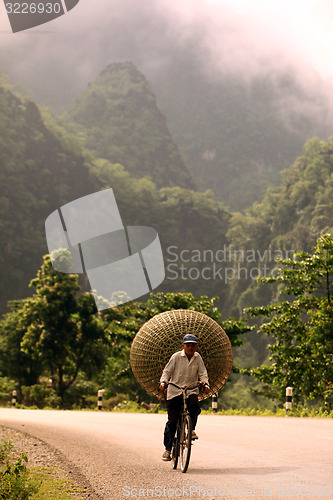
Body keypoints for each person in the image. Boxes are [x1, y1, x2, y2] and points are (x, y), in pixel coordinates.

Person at [159, 333, 210, 461]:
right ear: (183, 346)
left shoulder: (198, 358)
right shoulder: (176, 357)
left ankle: (191, 429)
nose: (190, 347)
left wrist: (205, 384)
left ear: (196, 347)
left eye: (193, 345)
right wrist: (163, 382)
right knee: (172, 421)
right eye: (188, 345)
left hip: (190, 390)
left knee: (194, 406)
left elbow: (203, 373)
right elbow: (167, 372)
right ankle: (168, 449)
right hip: (175, 390)